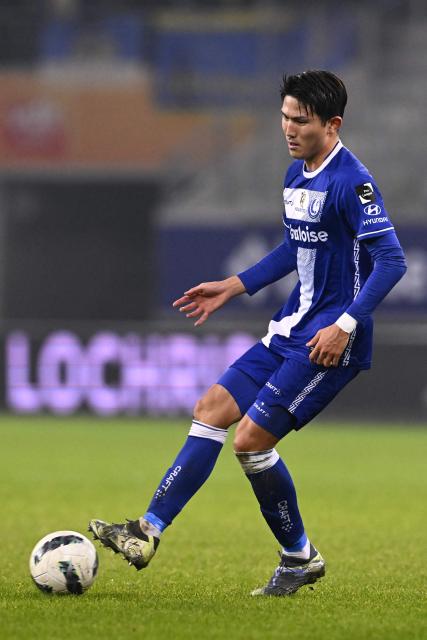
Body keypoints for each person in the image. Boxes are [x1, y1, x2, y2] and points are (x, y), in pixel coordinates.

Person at [89, 70, 406, 596]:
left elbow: (391, 261)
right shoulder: (296, 175)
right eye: (283, 117)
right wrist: (233, 286)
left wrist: (345, 325)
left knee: (250, 441)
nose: (288, 128)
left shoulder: (352, 181)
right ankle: (146, 532)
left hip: (330, 344)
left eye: (300, 120)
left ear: (332, 125)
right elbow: (293, 247)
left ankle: (297, 557)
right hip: (290, 330)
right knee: (210, 408)